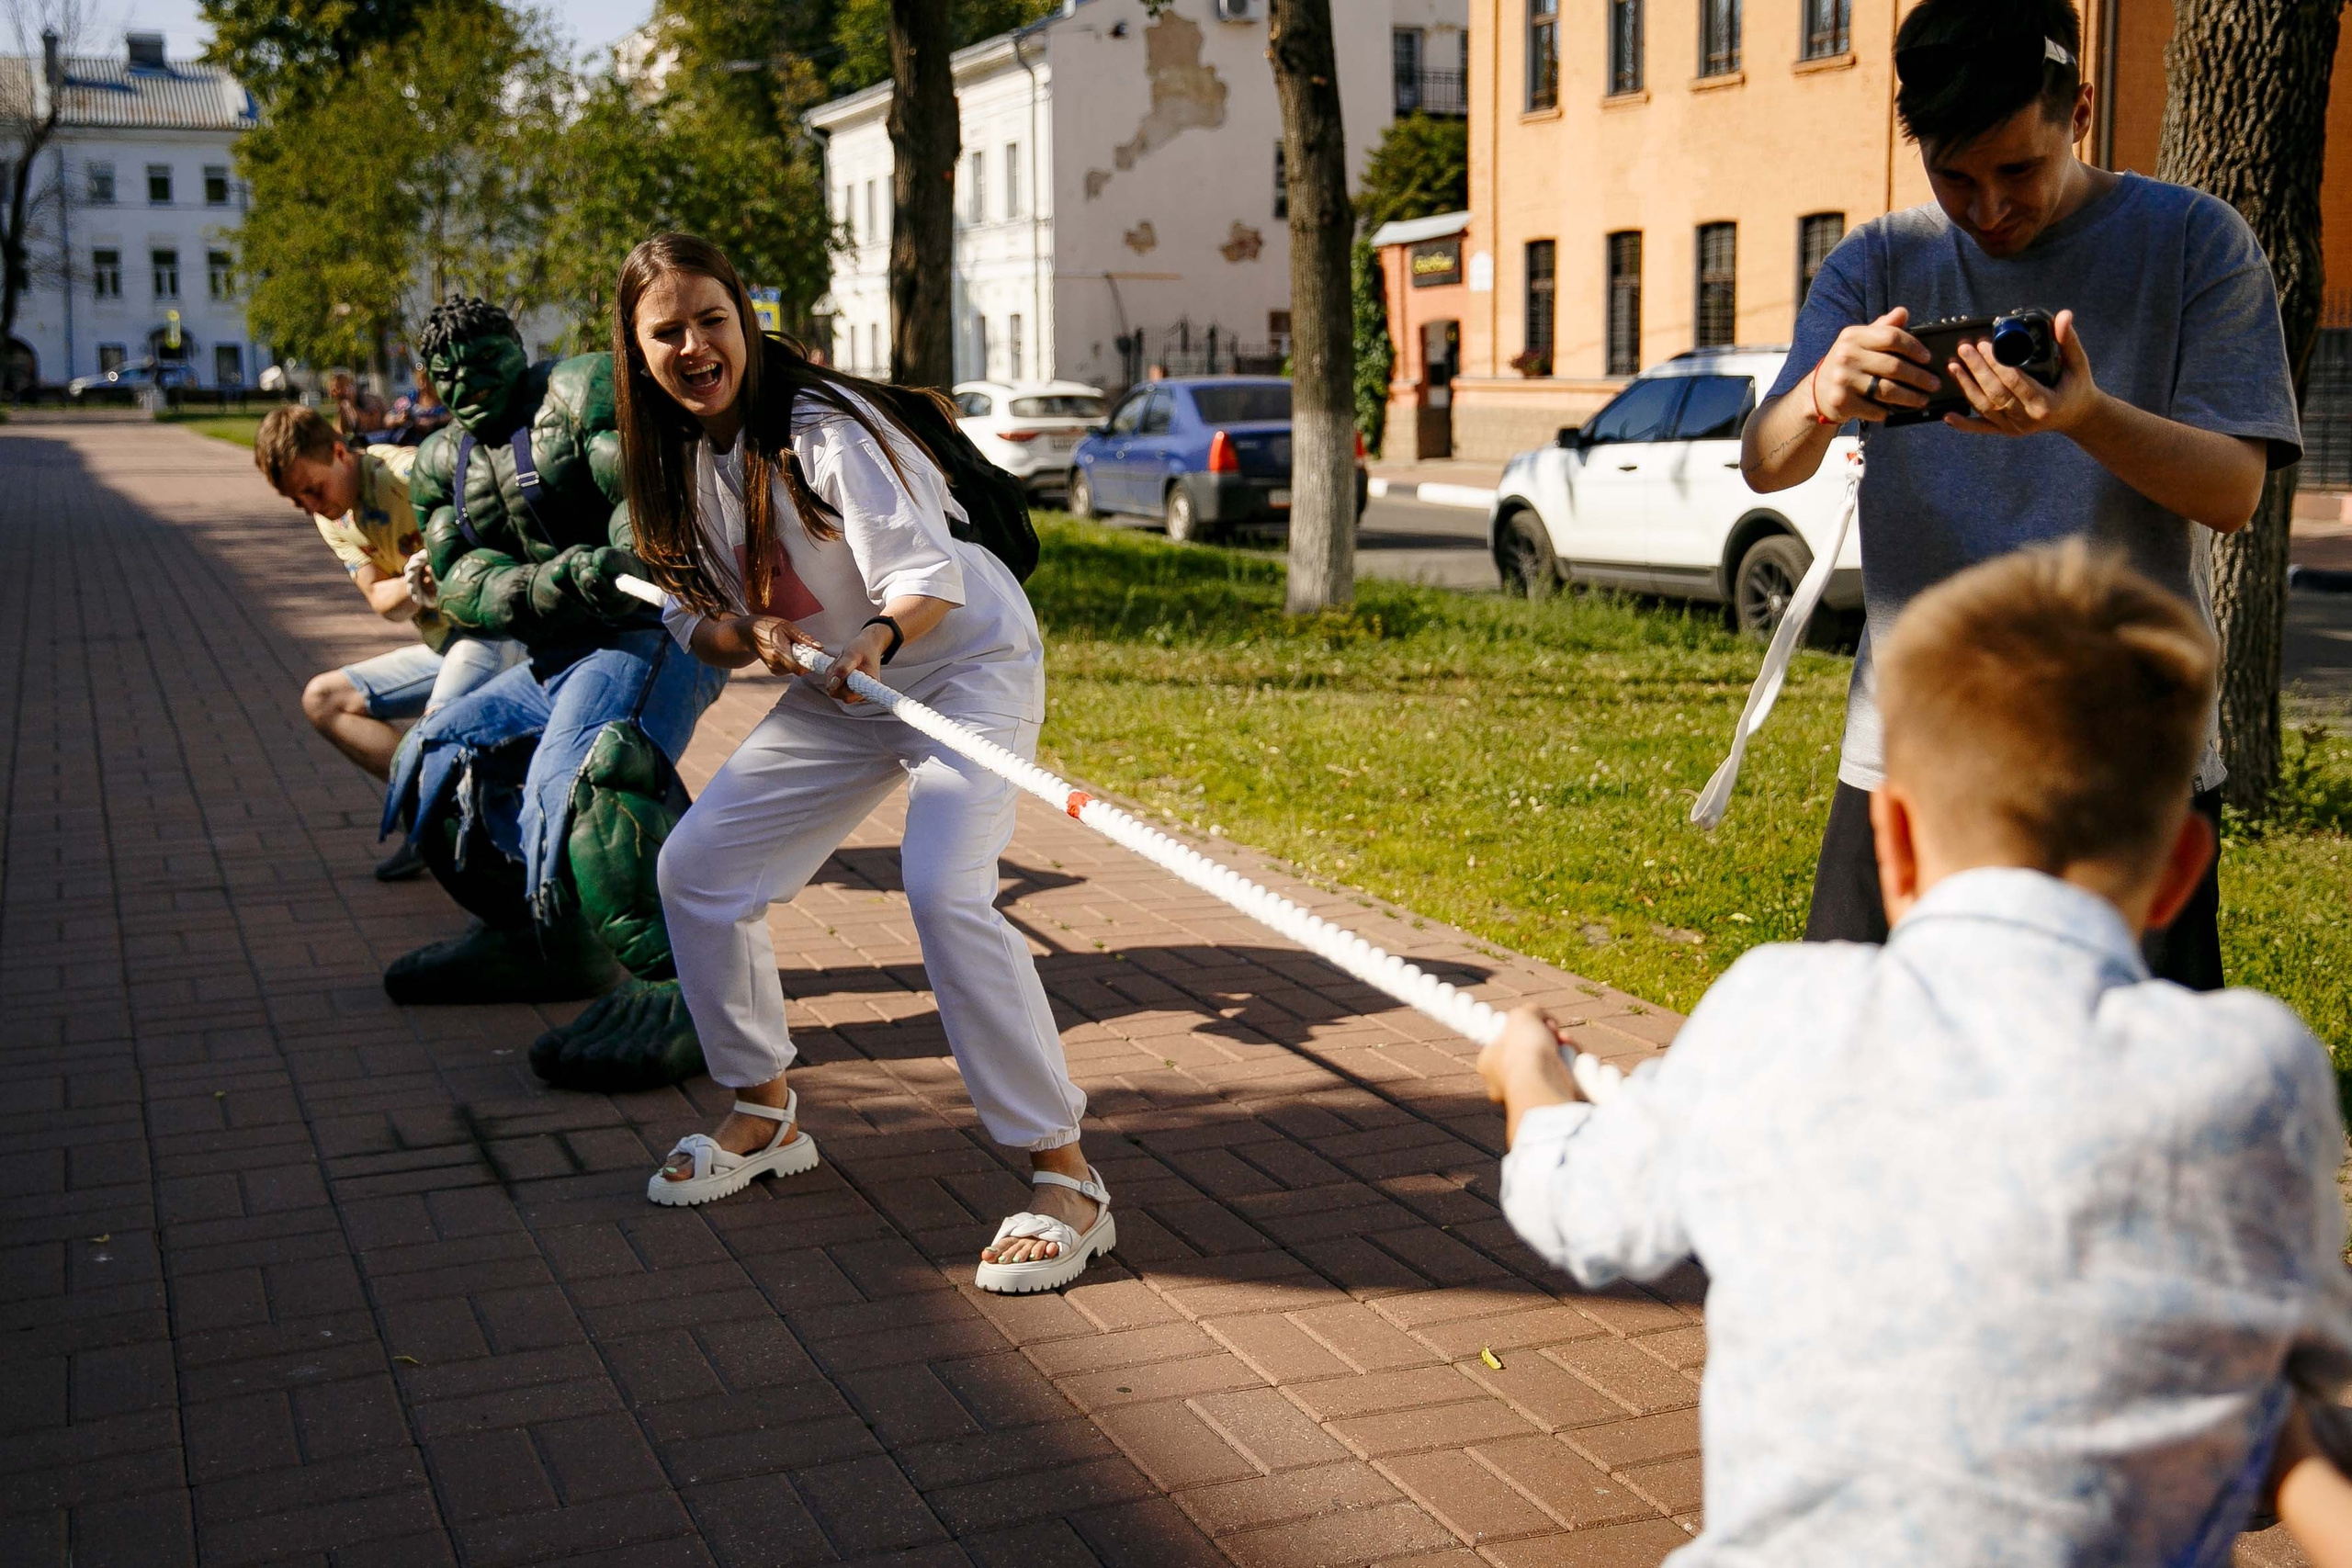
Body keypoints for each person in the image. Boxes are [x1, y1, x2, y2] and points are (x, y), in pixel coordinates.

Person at [1478, 542, 2352, 1565]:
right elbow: (2295, 1401)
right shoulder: (2248, 1071)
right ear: (2179, 872)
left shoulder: (1779, 1011)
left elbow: (1585, 1215)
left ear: (1888, 837)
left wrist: (1530, 1080)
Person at [1738, 0, 2301, 988]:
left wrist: (2082, 415)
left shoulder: (2193, 244)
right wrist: (1822, 394)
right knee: (1870, 1073)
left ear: (2078, 110)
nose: (1988, 210)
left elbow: (2232, 492)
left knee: (2123, 1104)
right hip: (1906, 758)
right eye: (1954, 177)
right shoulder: (1874, 261)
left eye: (2017, 172)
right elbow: (1765, 460)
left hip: (2119, 771)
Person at [615, 231, 1109, 1295]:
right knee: (698, 869)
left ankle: (1065, 1179)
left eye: (712, 318)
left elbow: (928, 578)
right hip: (840, 694)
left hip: (958, 664)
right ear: (638, 349)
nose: (695, 345)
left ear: (744, 317)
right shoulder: (682, 459)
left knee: (941, 887)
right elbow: (697, 617)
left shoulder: (820, 429)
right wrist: (740, 636)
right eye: (669, 331)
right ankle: (764, 1108)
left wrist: (869, 645)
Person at [381, 296, 729, 1082]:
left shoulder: (577, 394)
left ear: (519, 347)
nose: (467, 383)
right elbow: (462, 584)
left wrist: (613, 564)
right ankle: (539, 940)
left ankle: (679, 987)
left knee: (585, 773)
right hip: (555, 650)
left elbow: (643, 501)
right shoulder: (442, 460)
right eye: (447, 374)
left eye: (485, 364)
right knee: (438, 755)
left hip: (651, 636)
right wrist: (554, 583)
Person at [254, 404, 524, 879]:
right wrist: (418, 582)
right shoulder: (335, 519)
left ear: (340, 452)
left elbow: (500, 523)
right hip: (448, 645)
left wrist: (448, 563)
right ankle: (432, 819)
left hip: (496, 630)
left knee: (435, 733)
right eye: (298, 501)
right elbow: (382, 599)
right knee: (325, 700)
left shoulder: (407, 474)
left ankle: (488, 854)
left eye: (313, 490)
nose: (311, 507)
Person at [325, 368, 390, 442]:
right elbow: (340, 432)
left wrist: (353, 407)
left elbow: (373, 425)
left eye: (344, 386)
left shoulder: (368, 400)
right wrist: (341, 410)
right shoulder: (345, 406)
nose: (341, 391)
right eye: (335, 389)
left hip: (385, 434)